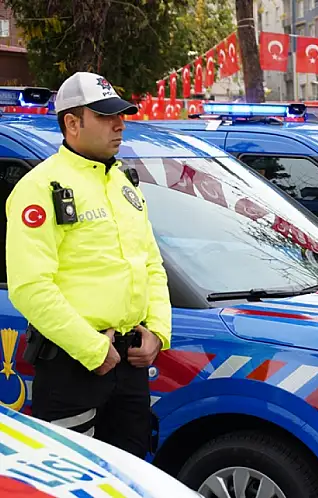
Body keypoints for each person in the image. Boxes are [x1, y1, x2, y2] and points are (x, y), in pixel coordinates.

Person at [5, 72, 172, 457]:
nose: (120, 124)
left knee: (129, 475)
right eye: (105, 116)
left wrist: (158, 332)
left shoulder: (124, 184)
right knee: (73, 477)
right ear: (72, 123)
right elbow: (30, 287)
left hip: (129, 362)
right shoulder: (40, 187)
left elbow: (151, 264)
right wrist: (93, 351)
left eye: (121, 115)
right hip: (73, 365)